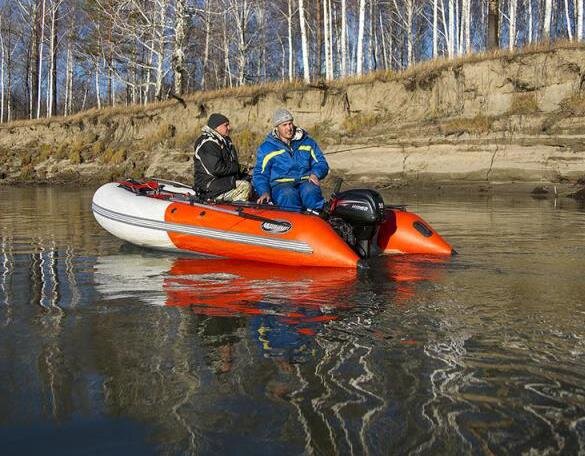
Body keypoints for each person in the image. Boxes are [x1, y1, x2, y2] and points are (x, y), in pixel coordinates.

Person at [252, 108, 329, 211]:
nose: (289, 128)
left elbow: (321, 162)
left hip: (305, 180)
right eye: (284, 125)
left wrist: (315, 174)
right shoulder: (266, 148)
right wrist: (264, 192)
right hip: (281, 185)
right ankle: (294, 224)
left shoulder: (308, 142)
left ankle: (318, 220)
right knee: (288, 194)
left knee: (310, 191)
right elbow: (260, 174)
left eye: (290, 123)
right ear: (277, 127)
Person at [193, 113, 251, 201]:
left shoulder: (225, 141)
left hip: (222, 181)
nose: (229, 128)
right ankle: (236, 210)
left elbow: (230, 164)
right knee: (244, 186)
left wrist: (246, 171)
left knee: (252, 179)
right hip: (208, 185)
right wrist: (239, 168)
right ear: (216, 127)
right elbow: (216, 169)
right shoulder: (208, 143)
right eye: (226, 125)